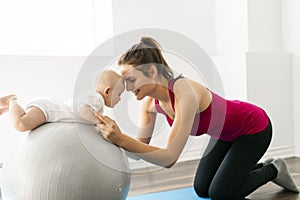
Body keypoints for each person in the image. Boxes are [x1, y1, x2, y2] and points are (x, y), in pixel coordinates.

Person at [95, 37, 299, 200]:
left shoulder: (185, 93)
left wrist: (121, 138)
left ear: (152, 71)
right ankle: (242, 169)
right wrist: (108, 138)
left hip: (253, 128)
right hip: (224, 133)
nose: (128, 88)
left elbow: (169, 158)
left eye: (131, 80)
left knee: (221, 194)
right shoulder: (149, 104)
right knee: (202, 189)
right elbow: (138, 150)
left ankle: (273, 169)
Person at [1, 69, 124, 132]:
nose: (120, 98)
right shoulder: (97, 98)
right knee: (21, 124)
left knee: (22, 121)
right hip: (47, 110)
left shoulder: (95, 100)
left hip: (49, 110)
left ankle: (9, 109)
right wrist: (98, 121)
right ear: (107, 91)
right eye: (119, 94)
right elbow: (82, 110)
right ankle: (12, 100)